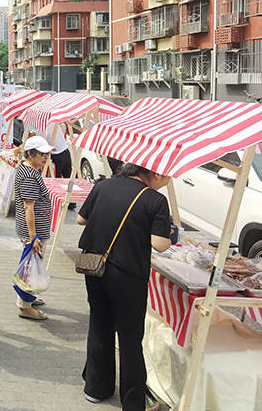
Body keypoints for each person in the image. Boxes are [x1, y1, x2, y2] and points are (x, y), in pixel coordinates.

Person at [77, 163, 172, 410]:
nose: (169, 182)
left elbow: (80, 218)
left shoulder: (103, 185)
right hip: (127, 274)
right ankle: (133, 401)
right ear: (157, 173)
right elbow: (160, 244)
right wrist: (170, 232)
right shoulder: (155, 200)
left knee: (100, 324)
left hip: (94, 266)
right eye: (168, 177)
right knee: (130, 338)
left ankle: (96, 388)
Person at [13, 135, 54, 320]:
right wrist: (33, 237)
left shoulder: (29, 169)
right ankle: (25, 305)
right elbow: (28, 207)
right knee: (30, 266)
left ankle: (28, 297)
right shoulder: (29, 175)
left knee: (31, 265)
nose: (45, 158)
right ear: (30, 154)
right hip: (34, 232)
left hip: (34, 230)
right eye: (41, 154)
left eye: (47, 154)